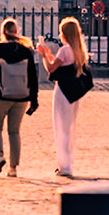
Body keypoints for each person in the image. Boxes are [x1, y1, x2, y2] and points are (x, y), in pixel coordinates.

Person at [0, 18, 40, 176]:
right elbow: (33, 76)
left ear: (2, 31)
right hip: (21, 97)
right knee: (14, 131)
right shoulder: (26, 50)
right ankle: (13, 168)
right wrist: (34, 98)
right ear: (16, 31)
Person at [40, 16, 91, 177]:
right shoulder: (77, 50)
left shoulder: (64, 50)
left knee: (61, 127)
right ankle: (68, 162)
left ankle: (64, 165)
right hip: (73, 94)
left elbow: (51, 68)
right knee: (70, 127)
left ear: (65, 34)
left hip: (62, 91)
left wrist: (43, 54)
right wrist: (49, 53)